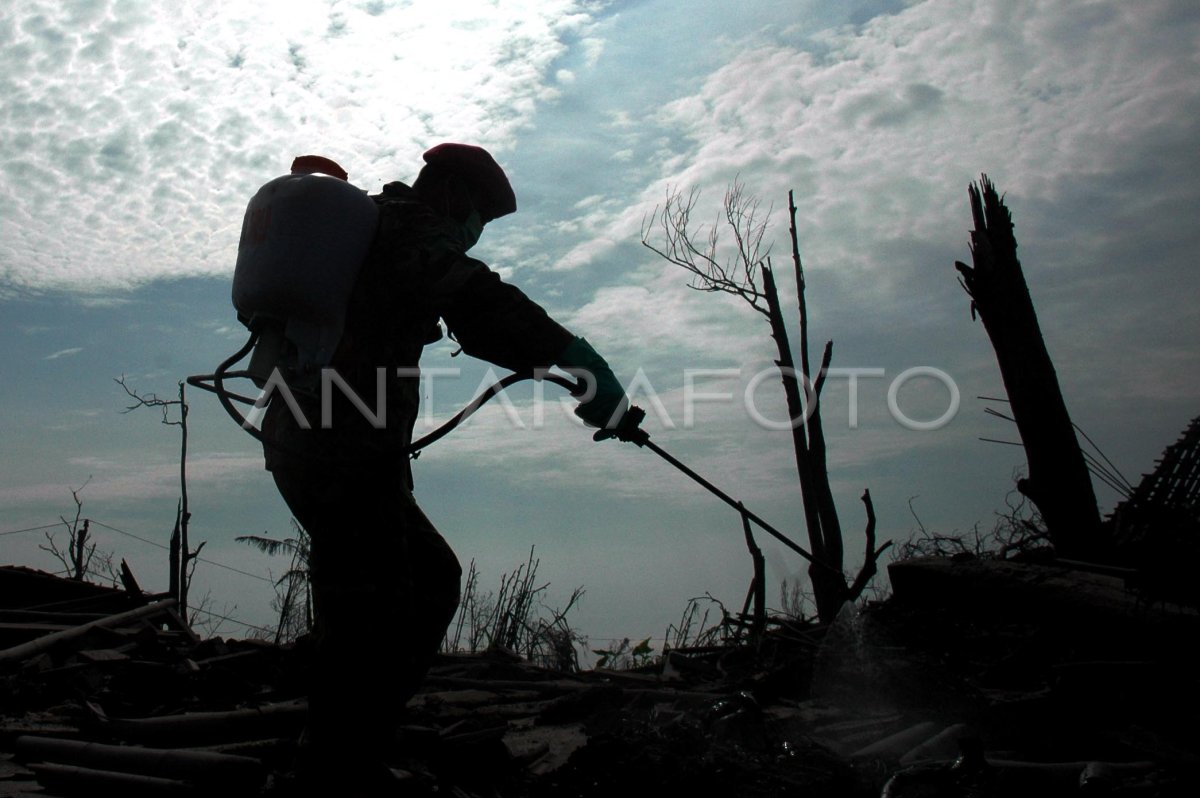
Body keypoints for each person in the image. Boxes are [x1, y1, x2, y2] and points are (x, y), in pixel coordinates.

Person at [258, 144, 627, 792]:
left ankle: (346, 757)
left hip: (321, 442)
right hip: (336, 445)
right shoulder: (404, 228)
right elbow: (480, 306)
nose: (474, 233)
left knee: (422, 581)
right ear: (453, 195)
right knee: (371, 611)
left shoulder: (373, 232)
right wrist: (578, 361)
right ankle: (332, 776)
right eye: (478, 218)